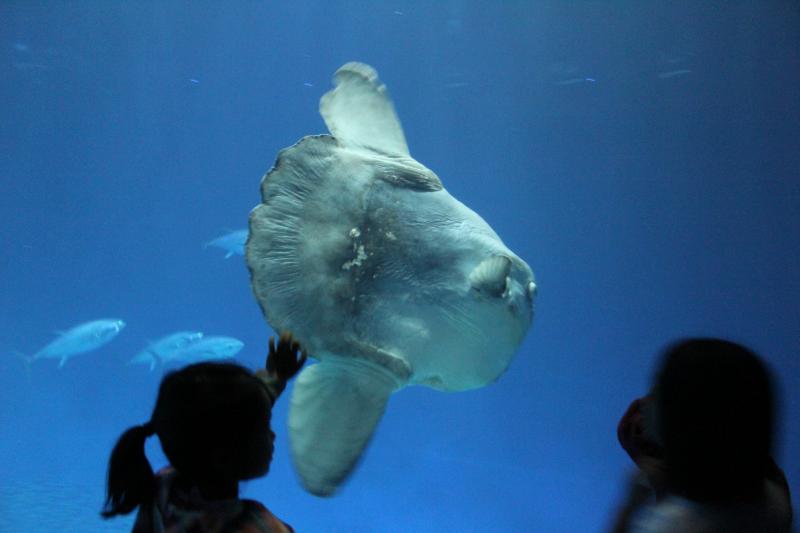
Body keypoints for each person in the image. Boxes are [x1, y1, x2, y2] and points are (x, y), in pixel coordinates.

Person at [102, 332, 307, 532]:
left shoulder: (164, 487)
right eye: (265, 426)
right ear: (224, 456)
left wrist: (274, 379)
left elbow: (221, 421)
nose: (273, 435)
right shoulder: (257, 525)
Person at [611, 338, 793, 532]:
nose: (644, 402)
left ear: (682, 420)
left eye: (659, 391)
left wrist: (634, 500)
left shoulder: (669, 527)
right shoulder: (776, 501)